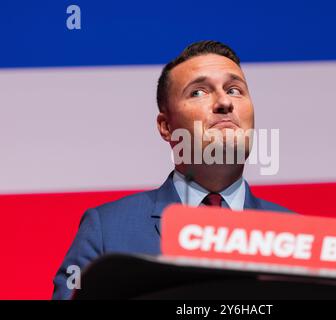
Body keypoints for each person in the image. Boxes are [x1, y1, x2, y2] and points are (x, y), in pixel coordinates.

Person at [52, 40, 292, 299]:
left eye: (234, 90)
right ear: (166, 126)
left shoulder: (295, 235)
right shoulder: (106, 232)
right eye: (198, 92)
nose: (224, 102)